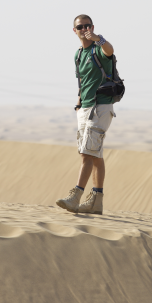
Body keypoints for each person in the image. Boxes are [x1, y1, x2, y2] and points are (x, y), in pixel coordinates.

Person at [56, 14, 116, 215]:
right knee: (95, 154)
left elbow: (110, 50)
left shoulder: (99, 48)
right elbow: (81, 81)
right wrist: (79, 103)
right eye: (80, 27)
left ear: (92, 27)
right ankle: (96, 202)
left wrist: (99, 38)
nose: (84, 29)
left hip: (101, 106)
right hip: (85, 108)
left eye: (87, 26)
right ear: (74, 31)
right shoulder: (79, 54)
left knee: (87, 153)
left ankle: (76, 195)